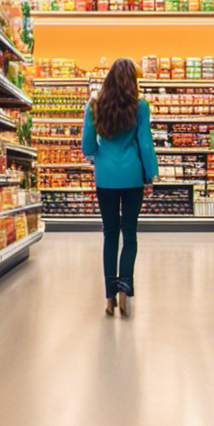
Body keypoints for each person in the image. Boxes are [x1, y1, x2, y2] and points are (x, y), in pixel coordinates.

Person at [82, 57, 158, 318]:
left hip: (105, 178)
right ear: (132, 81)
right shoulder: (140, 106)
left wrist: (99, 157)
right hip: (133, 177)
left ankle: (108, 298)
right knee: (130, 235)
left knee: (110, 234)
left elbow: (87, 147)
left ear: (109, 79)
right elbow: (146, 143)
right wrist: (152, 173)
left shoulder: (93, 106)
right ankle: (125, 293)